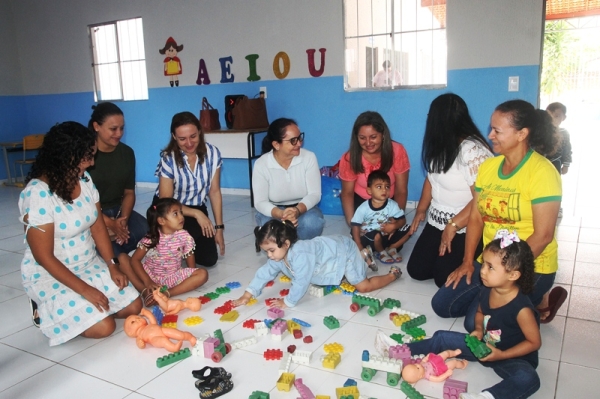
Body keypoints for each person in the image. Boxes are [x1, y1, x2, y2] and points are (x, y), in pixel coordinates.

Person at [432, 99, 565, 327]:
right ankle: (502, 304)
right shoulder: (489, 168)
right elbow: (476, 217)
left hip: (531, 265)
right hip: (491, 263)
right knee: (443, 305)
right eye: (491, 128)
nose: (490, 135)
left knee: (475, 325)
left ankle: (534, 304)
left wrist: (507, 271)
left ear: (522, 134)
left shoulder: (542, 172)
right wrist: (468, 262)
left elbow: (543, 236)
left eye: (497, 130)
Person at [18, 121, 142, 346]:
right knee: (105, 327)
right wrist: (86, 290)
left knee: (134, 306)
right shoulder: (37, 194)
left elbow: (97, 226)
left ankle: (91, 310)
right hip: (53, 271)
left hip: (87, 263)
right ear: (65, 157)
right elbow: (43, 257)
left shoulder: (84, 180)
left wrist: (112, 264)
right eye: (87, 158)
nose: (92, 163)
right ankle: (43, 308)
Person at [408, 232, 541, 399]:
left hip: (511, 356)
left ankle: (486, 397)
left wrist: (501, 355)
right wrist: (478, 329)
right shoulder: (487, 289)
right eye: (484, 264)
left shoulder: (522, 309)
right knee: (442, 337)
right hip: (483, 346)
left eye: (490, 267)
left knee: (528, 378)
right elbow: (479, 312)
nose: (483, 271)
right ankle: (403, 350)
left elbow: (534, 342)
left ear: (513, 275)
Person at [407, 93, 493, 287]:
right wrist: (421, 210)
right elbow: (431, 180)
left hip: (464, 224)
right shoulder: (440, 145)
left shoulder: (471, 150)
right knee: (417, 270)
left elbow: (482, 198)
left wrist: (454, 225)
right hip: (439, 220)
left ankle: (477, 259)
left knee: (442, 279)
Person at [232, 220, 401, 309]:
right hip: (330, 256)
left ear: (286, 243)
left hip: (343, 251)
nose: (269, 255)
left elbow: (301, 281)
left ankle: (392, 274)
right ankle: (364, 256)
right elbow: (264, 272)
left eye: (270, 250)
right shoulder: (278, 256)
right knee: (343, 278)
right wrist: (248, 294)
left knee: (363, 286)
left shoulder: (301, 256)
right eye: (266, 251)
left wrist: (288, 301)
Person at [87, 102, 149, 289]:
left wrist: (123, 219)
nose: (119, 133)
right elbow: (84, 203)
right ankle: (120, 262)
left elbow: (129, 192)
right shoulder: (86, 155)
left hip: (120, 210)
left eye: (122, 128)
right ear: (96, 127)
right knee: (108, 246)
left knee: (149, 235)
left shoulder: (127, 153)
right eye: (113, 129)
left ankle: (128, 261)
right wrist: (110, 223)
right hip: (94, 215)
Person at [155, 111, 225, 267]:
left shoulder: (212, 153)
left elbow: (214, 192)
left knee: (209, 259)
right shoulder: (168, 158)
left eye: (193, 136)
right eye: (182, 139)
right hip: (168, 208)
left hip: (196, 206)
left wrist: (219, 228)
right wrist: (196, 213)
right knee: (183, 239)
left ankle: (179, 243)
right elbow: (166, 201)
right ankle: (160, 237)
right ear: (174, 137)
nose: (189, 143)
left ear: (200, 132)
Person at [253, 117, 325, 240]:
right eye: (293, 140)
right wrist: (280, 214)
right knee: (271, 229)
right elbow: (260, 202)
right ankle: (285, 252)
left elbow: (315, 194)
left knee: (312, 223)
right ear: (276, 144)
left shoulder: (309, 157)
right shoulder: (262, 164)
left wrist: (297, 210)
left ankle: (297, 251)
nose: (299, 143)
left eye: (299, 137)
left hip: (302, 209)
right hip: (274, 210)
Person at [129, 198, 208, 304]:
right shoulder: (152, 238)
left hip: (173, 277)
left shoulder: (184, 235)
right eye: (175, 214)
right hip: (150, 275)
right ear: (161, 221)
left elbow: (190, 256)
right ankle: (145, 291)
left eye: (181, 212)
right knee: (122, 258)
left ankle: (167, 293)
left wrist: (190, 274)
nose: (181, 217)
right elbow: (135, 260)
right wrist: (148, 281)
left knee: (202, 273)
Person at [339, 111, 410, 227]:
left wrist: (396, 220)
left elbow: (401, 190)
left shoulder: (397, 151)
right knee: (367, 238)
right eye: (362, 138)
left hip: (388, 202)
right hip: (362, 202)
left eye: (373, 137)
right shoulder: (349, 158)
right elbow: (347, 193)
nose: (368, 143)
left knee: (392, 239)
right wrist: (353, 224)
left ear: (383, 135)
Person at [351, 170, 412, 266]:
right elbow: (355, 225)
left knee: (409, 229)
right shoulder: (364, 207)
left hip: (386, 234)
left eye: (387, 187)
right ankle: (381, 253)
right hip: (369, 238)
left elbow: (402, 220)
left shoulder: (392, 205)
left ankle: (391, 248)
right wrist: (359, 245)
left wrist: (394, 226)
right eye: (379, 187)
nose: (384, 190)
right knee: (376, 235)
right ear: (369, 190)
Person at [546, 102, 572, 218]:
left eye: (557, 116)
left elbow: (567, 149)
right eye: (550, 115)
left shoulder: (564, 133)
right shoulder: (544, 131)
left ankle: (557, 207)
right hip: (542, 162)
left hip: (555, 162)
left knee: (555, 186)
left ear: (564, 118)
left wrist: (566, 165)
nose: (553, 119)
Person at [401, 349, 468, 383]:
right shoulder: (427, 376)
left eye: (415, 365)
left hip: (435, 360)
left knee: (446, 353)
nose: (417, 364)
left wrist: (427, 356)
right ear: (420, 376)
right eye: (417, 368)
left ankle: (454, 352)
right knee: (454, 362)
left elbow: (424, 360)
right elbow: (438, 379)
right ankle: (462, 365)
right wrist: (446, 374)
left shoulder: (420, 365)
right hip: (440, 368)